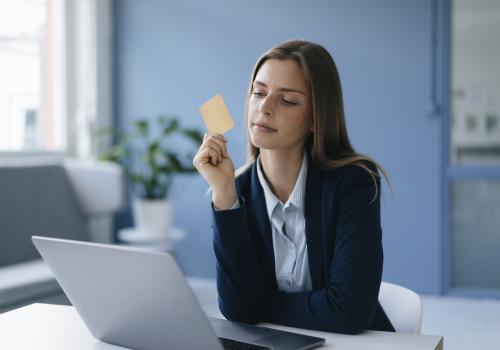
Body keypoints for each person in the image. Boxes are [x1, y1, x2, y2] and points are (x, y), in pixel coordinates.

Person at [193, 39, 395, 334]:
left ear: (316, 117)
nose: (264, 107)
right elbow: (238, 310)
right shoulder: (236, 189)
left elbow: (348, 312)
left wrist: (263, 304)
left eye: (287, 100)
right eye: (258, 93)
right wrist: (224, 195)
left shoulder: (355, 182)